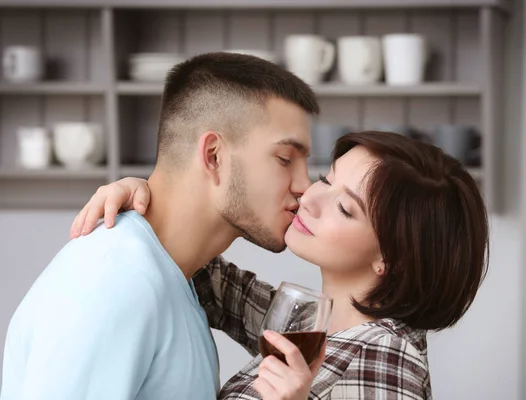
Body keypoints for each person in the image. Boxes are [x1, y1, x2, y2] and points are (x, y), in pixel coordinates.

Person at [70, 130, 490, 399]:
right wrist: (147, 196)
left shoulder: (385, 359)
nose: (309, 196)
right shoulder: (317, 321)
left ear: (392, 259)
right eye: (327, 178)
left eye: (344, 208)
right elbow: (213, 283)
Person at [0, 52, 321, 400]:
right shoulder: (114, 280)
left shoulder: (174, 278)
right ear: (213, 155)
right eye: (285, 159)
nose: (305, 185)